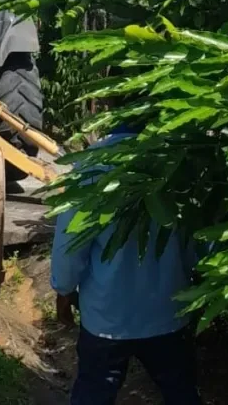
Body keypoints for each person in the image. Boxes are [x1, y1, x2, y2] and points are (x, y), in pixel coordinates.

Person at [51, 123, 202, 405]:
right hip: (167, 311)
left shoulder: (91, 167)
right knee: (180, 391)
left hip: (106, 316)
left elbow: (70, 246)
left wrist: (64, 289)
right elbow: (198, 241)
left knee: (94, 390)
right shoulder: (177, 163)